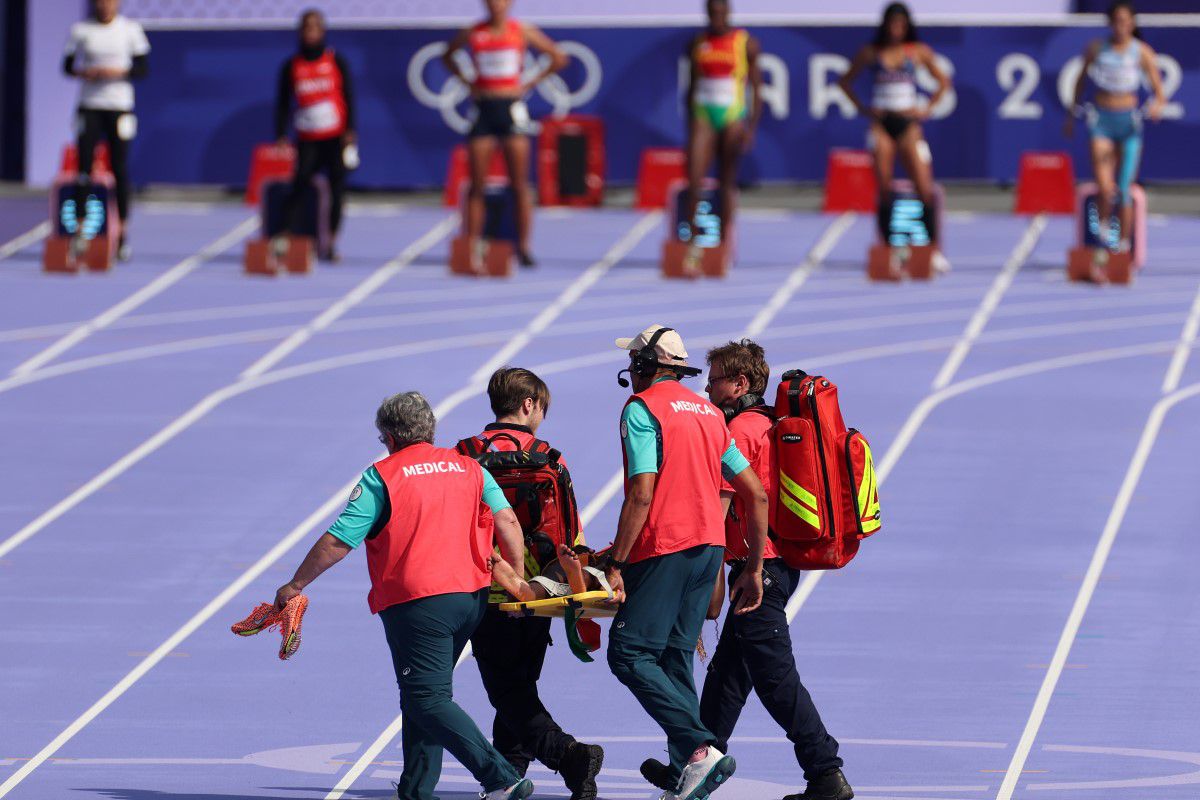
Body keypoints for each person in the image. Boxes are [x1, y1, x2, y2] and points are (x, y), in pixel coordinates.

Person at [272, 391, 534, 800]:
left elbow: (340, 540)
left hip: (418, 604)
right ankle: (415, 789)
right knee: (426, 693)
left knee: (426, 697)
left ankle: (500, 777)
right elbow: (507, 520)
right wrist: (517, 581)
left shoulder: (383, 476)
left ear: (390, 437)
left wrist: (296, 584)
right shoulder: (470, 468)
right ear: (429, 429)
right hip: (470, 599)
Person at [605, 324, 769, 800]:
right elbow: (754, 494)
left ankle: (700, 750)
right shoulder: (711, 414)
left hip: (665, 548)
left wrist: (616, 560)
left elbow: (641, 492)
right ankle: (685, 774)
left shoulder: (641, 409)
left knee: (629, 653)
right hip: (709, 551)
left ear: (644, 365)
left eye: (634, 362)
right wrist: (754, 568)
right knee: (676, 659)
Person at [697, 341, 853, 800]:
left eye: (716, 379)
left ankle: (825, 771)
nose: (708, 387)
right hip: (772, 565)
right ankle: (695, 762)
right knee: (729, 674)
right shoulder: (766, 421)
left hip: (758, 571)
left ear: (740, 384)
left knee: (774, 678)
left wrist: (713, 574)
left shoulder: (741, 431)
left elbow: (719, 508)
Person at [457, 367, 605, 800]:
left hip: (487, 587)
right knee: (519, 686)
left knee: (507, 691)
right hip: (541, 591)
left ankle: (570, 755)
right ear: (528, 405)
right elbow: (570, 534)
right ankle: (510, 776)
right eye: (542, 408)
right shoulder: (549, 457)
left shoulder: (464, 455)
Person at [443, 0, 567, 269]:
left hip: (511, 108)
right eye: (490, 1)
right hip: (483, 109)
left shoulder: (521, 30)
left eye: (500, 1)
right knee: (477, 183)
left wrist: (530, 82)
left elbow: (558, 57)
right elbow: (447, 55)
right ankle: (473, 243)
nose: (495, 5)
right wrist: (467, 81)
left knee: (519, 184)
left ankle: (523, 247)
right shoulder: (473, 31)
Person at [837, 2, 951, 269]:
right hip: (881, 123)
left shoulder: (917, 52)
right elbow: (845, 82)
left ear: (907, 26)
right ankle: (889, 248)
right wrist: (863, 108)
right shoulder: (871, 53)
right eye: (892, 24)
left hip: (908, 123)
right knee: (884, 187)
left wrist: (927, 108)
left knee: (923, 185)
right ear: (885, 25)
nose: (896, 29)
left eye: (901, 24)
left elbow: (943, 82)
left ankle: (930, 250)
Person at [1065, 1, 1166, 256]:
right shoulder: (1097, 48)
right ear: (1110, 24)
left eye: (1126, 21)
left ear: (1132, 24)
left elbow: (1159, 92)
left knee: (1123, 188)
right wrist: (1072, 114)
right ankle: (1102, 234)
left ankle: (1122, 245)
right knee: (1104, 187)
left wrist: (1156, 106)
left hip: (1128, 124)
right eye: (1117, 21)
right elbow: (1079, 80)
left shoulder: (1141, 51)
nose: (1121, 27)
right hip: (1101, 121)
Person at [62, 0, 150, 262]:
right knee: (84, 170)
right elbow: (67, 66)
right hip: (89, 107)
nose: (105, 5)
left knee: (120, 169)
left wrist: (117, 72)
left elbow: (143, 69)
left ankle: (122, 235)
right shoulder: (81, 30)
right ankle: (79, 232)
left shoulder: (130, 30)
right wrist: (84, 72)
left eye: (110, 1)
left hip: (119, 107)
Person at [681, 0, 763, 254]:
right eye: (711, 12)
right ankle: (692, 243)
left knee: (726, 180)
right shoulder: (697, 43)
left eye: (720, 12)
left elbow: (757, 89)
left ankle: (722, 244)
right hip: (703, 112)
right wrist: (689, 122)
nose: (716, 17)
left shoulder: (745, 43)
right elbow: (691, 85)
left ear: (728, 12)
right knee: (694, 179)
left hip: (731, 114)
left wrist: (750, 127)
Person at [275, 9, 356, 262]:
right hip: (308, 137)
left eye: (315, 27)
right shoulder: (292, 66)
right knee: (299, 184)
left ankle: (331, 242)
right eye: (306, 27)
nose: (311, 32)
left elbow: (349, 97)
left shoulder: (336, 61)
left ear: (322, 31)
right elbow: (283, 103)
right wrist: (280, 134)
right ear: (300, 32)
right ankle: (284, 237)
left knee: (337, 189)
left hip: (334, 136)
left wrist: (350, 130)